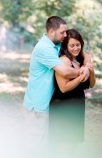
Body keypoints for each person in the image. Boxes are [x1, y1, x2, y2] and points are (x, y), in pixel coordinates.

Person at [23, 16, 89, 150]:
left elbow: (82, 52)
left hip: (48, 104)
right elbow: (64, 71)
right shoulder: (43, 48)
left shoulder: (55, 46)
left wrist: (88, 64)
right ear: (52, 31)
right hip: (38, 106)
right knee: (36, 145)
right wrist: (83, 71)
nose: (65, 35)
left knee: (48, 146)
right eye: (62, 32)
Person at [49, 29, 96, 156]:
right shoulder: (64, 61)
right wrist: (81, 75)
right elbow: (63, 88)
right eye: (72, 45)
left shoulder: (82, 60)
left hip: (77, 104)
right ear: (66, 46)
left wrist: (90, 70)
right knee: (63, 143)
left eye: (78, 45)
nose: (76, 48)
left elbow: (91, 84)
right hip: (63, 105)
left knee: (73, 142)